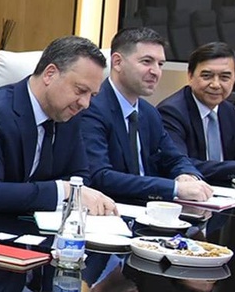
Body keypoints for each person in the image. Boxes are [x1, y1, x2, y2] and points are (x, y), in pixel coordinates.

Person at [0, 35, 116, 222]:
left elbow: (80, 177)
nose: (85, 103)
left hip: (27, 225)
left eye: (92, 95)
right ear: (50, 74)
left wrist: (72, 192)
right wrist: (63, 190)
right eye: (80, 90)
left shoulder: (68, 114)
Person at [81, 28, 213, 203]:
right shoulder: (91, 108)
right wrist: (174, 188)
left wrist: (187, 175)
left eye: (160, 64)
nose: (156, 71)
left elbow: (175, 158)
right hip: (111, 208)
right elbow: (100, 177)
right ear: (117, 62)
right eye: (147, 62)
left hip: (151, 207)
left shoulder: (149, 112)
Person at [157, 42, 235, 185]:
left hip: (226, 190)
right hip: (190, 190)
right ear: (190, 76)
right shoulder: (171, 112)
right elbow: (181, 164)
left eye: (224, 77)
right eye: (207, 76)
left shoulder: (227, 109)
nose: (215, 84)